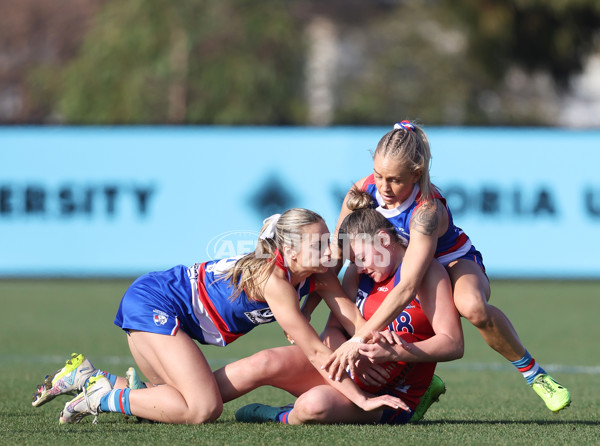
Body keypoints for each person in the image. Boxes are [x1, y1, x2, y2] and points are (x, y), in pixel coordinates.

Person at [31, 208, 405, 424]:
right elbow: (318, 354)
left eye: (329, 239)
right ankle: (101, 396)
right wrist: (364, 400)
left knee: (167, 402)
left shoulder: (318, 272)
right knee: (202, 408)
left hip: (161, 306)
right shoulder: (275, 280)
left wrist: (383, 341)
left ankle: (89, 378)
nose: (330, 249)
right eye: (318, 243)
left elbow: (356, 322)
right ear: (289, 252)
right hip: (153, 303)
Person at [317, 120, 570, 414]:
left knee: (472, 306)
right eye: (379, 175)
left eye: (395, 180)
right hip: (400, 261)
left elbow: (408, 286)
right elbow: (337, 250)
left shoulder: (427, 211)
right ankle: (422, 385)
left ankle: (534, 374)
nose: (384, 188)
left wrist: (358, 339)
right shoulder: (363, 190)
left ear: (417, 173)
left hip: (450, 261)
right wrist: (307, 307)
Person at [220, 197, 464, 425]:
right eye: (352, 261)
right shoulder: (357, 274)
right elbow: (332, 332)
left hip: (392, 394)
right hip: (348, 374)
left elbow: (453, 344)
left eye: (360, 258)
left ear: (383, 240)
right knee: (264, 362)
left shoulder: (427, 274)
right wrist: (354, 361)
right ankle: (187, 395)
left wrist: (396, 352)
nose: (357, 268)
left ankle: (278, 415)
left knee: (312, 406)